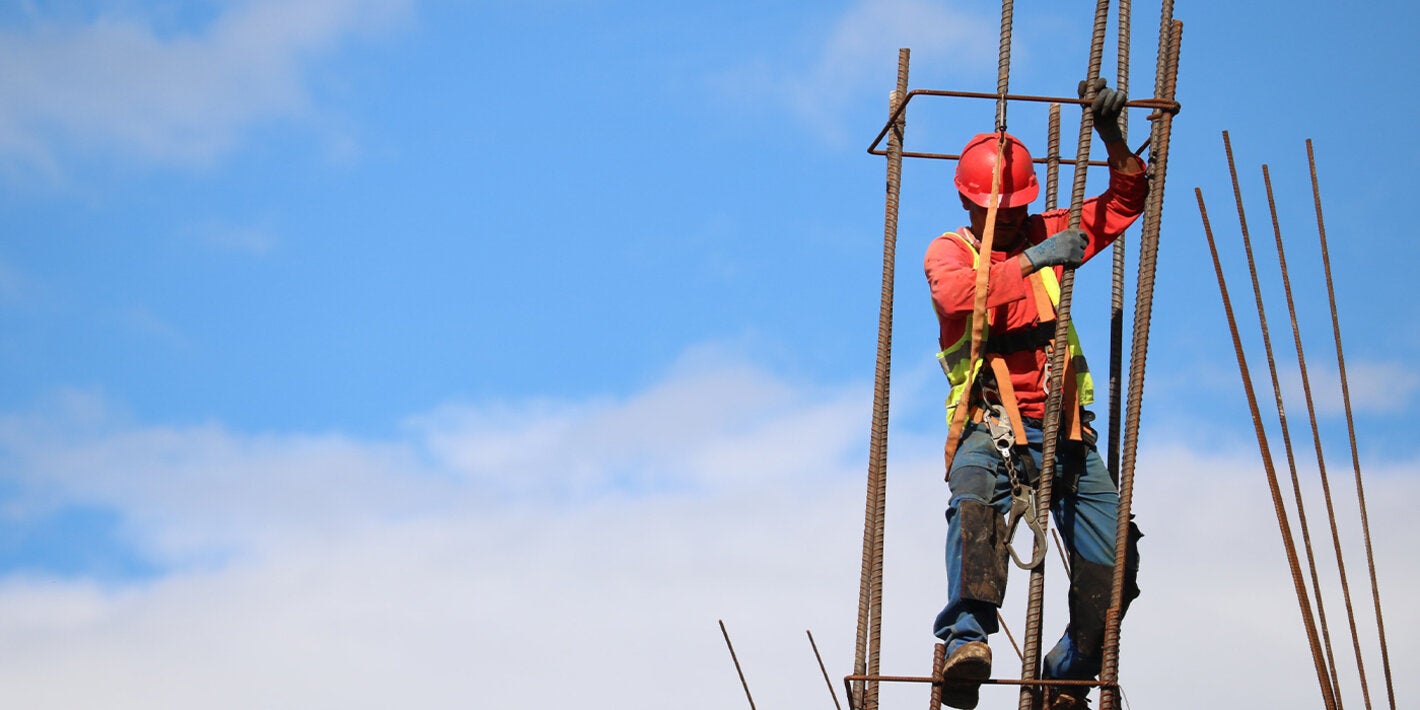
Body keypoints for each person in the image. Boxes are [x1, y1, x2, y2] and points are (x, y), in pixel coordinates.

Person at [924, 80, 1145, 710]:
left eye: (1022, 209)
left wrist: (1112, 138)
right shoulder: (951, 253)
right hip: (989, 428)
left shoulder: (1046, 231)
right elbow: (957, 298)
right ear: (971, 205)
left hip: (1067, 431)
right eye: (1004, 209)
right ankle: (968, 641)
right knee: (973, 506)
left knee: (1115, 567)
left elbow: (1126, 201)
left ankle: (1067, 674)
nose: (1015, 219)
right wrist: (1032, 260)